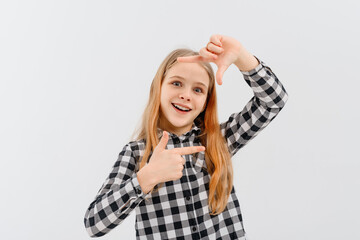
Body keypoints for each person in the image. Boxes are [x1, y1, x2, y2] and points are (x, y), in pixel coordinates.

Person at [84, 34, 288, 239]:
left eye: (198, 89)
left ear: (206, 101)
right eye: (176, 83)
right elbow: (93, 224)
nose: (186, 95)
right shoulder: (136, 153)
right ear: (158, 87)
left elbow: (274, 101)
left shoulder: (219, 140)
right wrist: (147, 177)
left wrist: (242, 56)